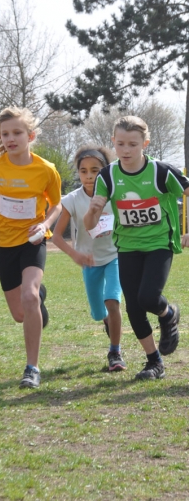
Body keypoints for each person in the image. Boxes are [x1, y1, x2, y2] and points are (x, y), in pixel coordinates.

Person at [84, 115, 189, 380]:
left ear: (145, 143)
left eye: (133, 144)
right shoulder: (107, 175)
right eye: (120, 144)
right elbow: (89, 224)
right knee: (133, 307)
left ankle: (168, 313)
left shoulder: (161, 171)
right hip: (127, 246)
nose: (126, 150)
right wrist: (93, 211)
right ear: (113, 143)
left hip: (159, 243)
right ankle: (154, 362)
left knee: (148, 297)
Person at [0, 106, 62, 389]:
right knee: (20, 313)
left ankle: (32, 367)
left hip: (32, 241)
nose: (10, 138)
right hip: (3, 245)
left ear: (30, 135)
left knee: (29, 296)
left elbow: (56, 205)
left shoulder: (46, 170)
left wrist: (45, 224)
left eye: (17, 133)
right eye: (5, 133)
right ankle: (37, 297)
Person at [53, 145, 124, 371]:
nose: (89, 175)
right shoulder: (72, 200)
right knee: (98, 312)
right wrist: (75, 254)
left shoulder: (115, 195)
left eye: (95, 170)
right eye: (83, 171)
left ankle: (115, 352)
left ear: (106, 170)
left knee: (112, 300)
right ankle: (107, 322)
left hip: (115, 256)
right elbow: (55, 237)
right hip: (89, 262)